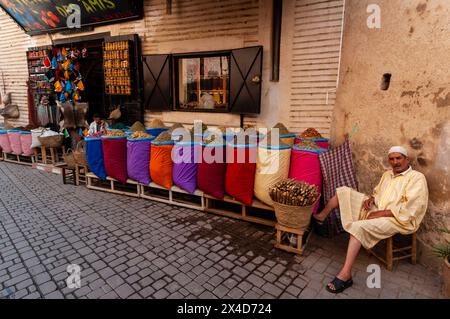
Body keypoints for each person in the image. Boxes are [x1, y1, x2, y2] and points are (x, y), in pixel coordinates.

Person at [314, 146, 429, 293]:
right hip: (377, 209)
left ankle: (345, 275)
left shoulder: (417, 178)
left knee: (357, 228)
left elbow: (412, 209)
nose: (395, 162)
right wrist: (372, 199)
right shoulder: (387, 174)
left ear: (407, 159)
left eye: (398, 158)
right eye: (392, 159)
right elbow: (378, 191)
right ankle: (321, 217)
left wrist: (381, 213)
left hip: (397, 219)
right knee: (344, 192)